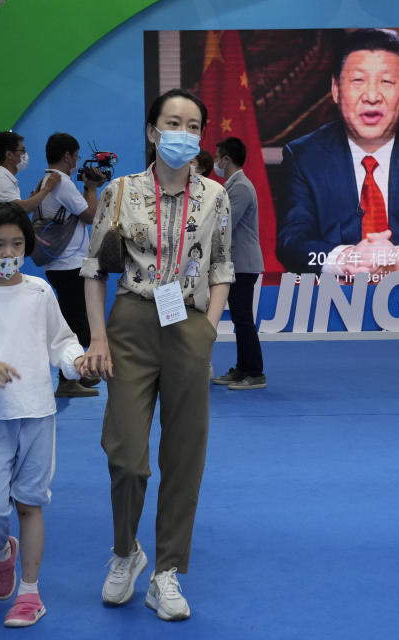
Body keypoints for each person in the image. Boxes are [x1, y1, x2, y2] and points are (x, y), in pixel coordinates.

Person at [80, 88, 233, 622]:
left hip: (188, 326)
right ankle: (127, 551)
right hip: (130, 325)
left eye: (193, 126)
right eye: (173, 123)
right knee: (126, 453)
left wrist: (208, 331)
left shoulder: (216, 196)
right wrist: (97, 338)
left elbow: (221, 268)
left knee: (185, 454)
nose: (183, 134)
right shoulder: (119, 193)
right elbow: (95, 271)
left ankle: (166, 571)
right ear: (151, 131)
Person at [0, 202, 86, 628]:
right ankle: (1, 550)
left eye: (17, 243)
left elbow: (60, 339)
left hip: (37, 412)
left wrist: (76, 360)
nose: (8, 251)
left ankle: (29, 592)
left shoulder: (39, 291)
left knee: (30, 503)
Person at [276, 28, 399, 277]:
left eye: (387, 82)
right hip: (332, 304)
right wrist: (347, 258)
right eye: (358, 80)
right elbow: (291, 243)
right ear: (336, 89)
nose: (372, 96)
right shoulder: (304, 157)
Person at [38, 132, 107, 398]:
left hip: (61, 263)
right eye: (77, 156)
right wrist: (92, 188)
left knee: (75, 319)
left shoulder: (49, 180)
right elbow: (90, 215)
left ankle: (78, 375)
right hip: (68, 264)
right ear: (67, 156)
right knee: (77, 323)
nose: (78, 161)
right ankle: (69, 379)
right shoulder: (62, 182)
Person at [211, 137, 266, 390]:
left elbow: (225, 225)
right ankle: (243, 367)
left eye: (217, 156)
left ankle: (255, 372)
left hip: (243, 263)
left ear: (226, 160)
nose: (215, 162)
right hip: (236, 264)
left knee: (243, 319)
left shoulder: (241, 188)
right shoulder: (232, 186)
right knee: (239, 318)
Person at [0, 131, 60, 209]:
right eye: (22, 150)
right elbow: (21, 209)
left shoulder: (5, 178)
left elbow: (18, 214)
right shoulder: (0, 180)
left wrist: (32, 200)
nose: (25, 154)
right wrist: (47, 188)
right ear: (9, 155)